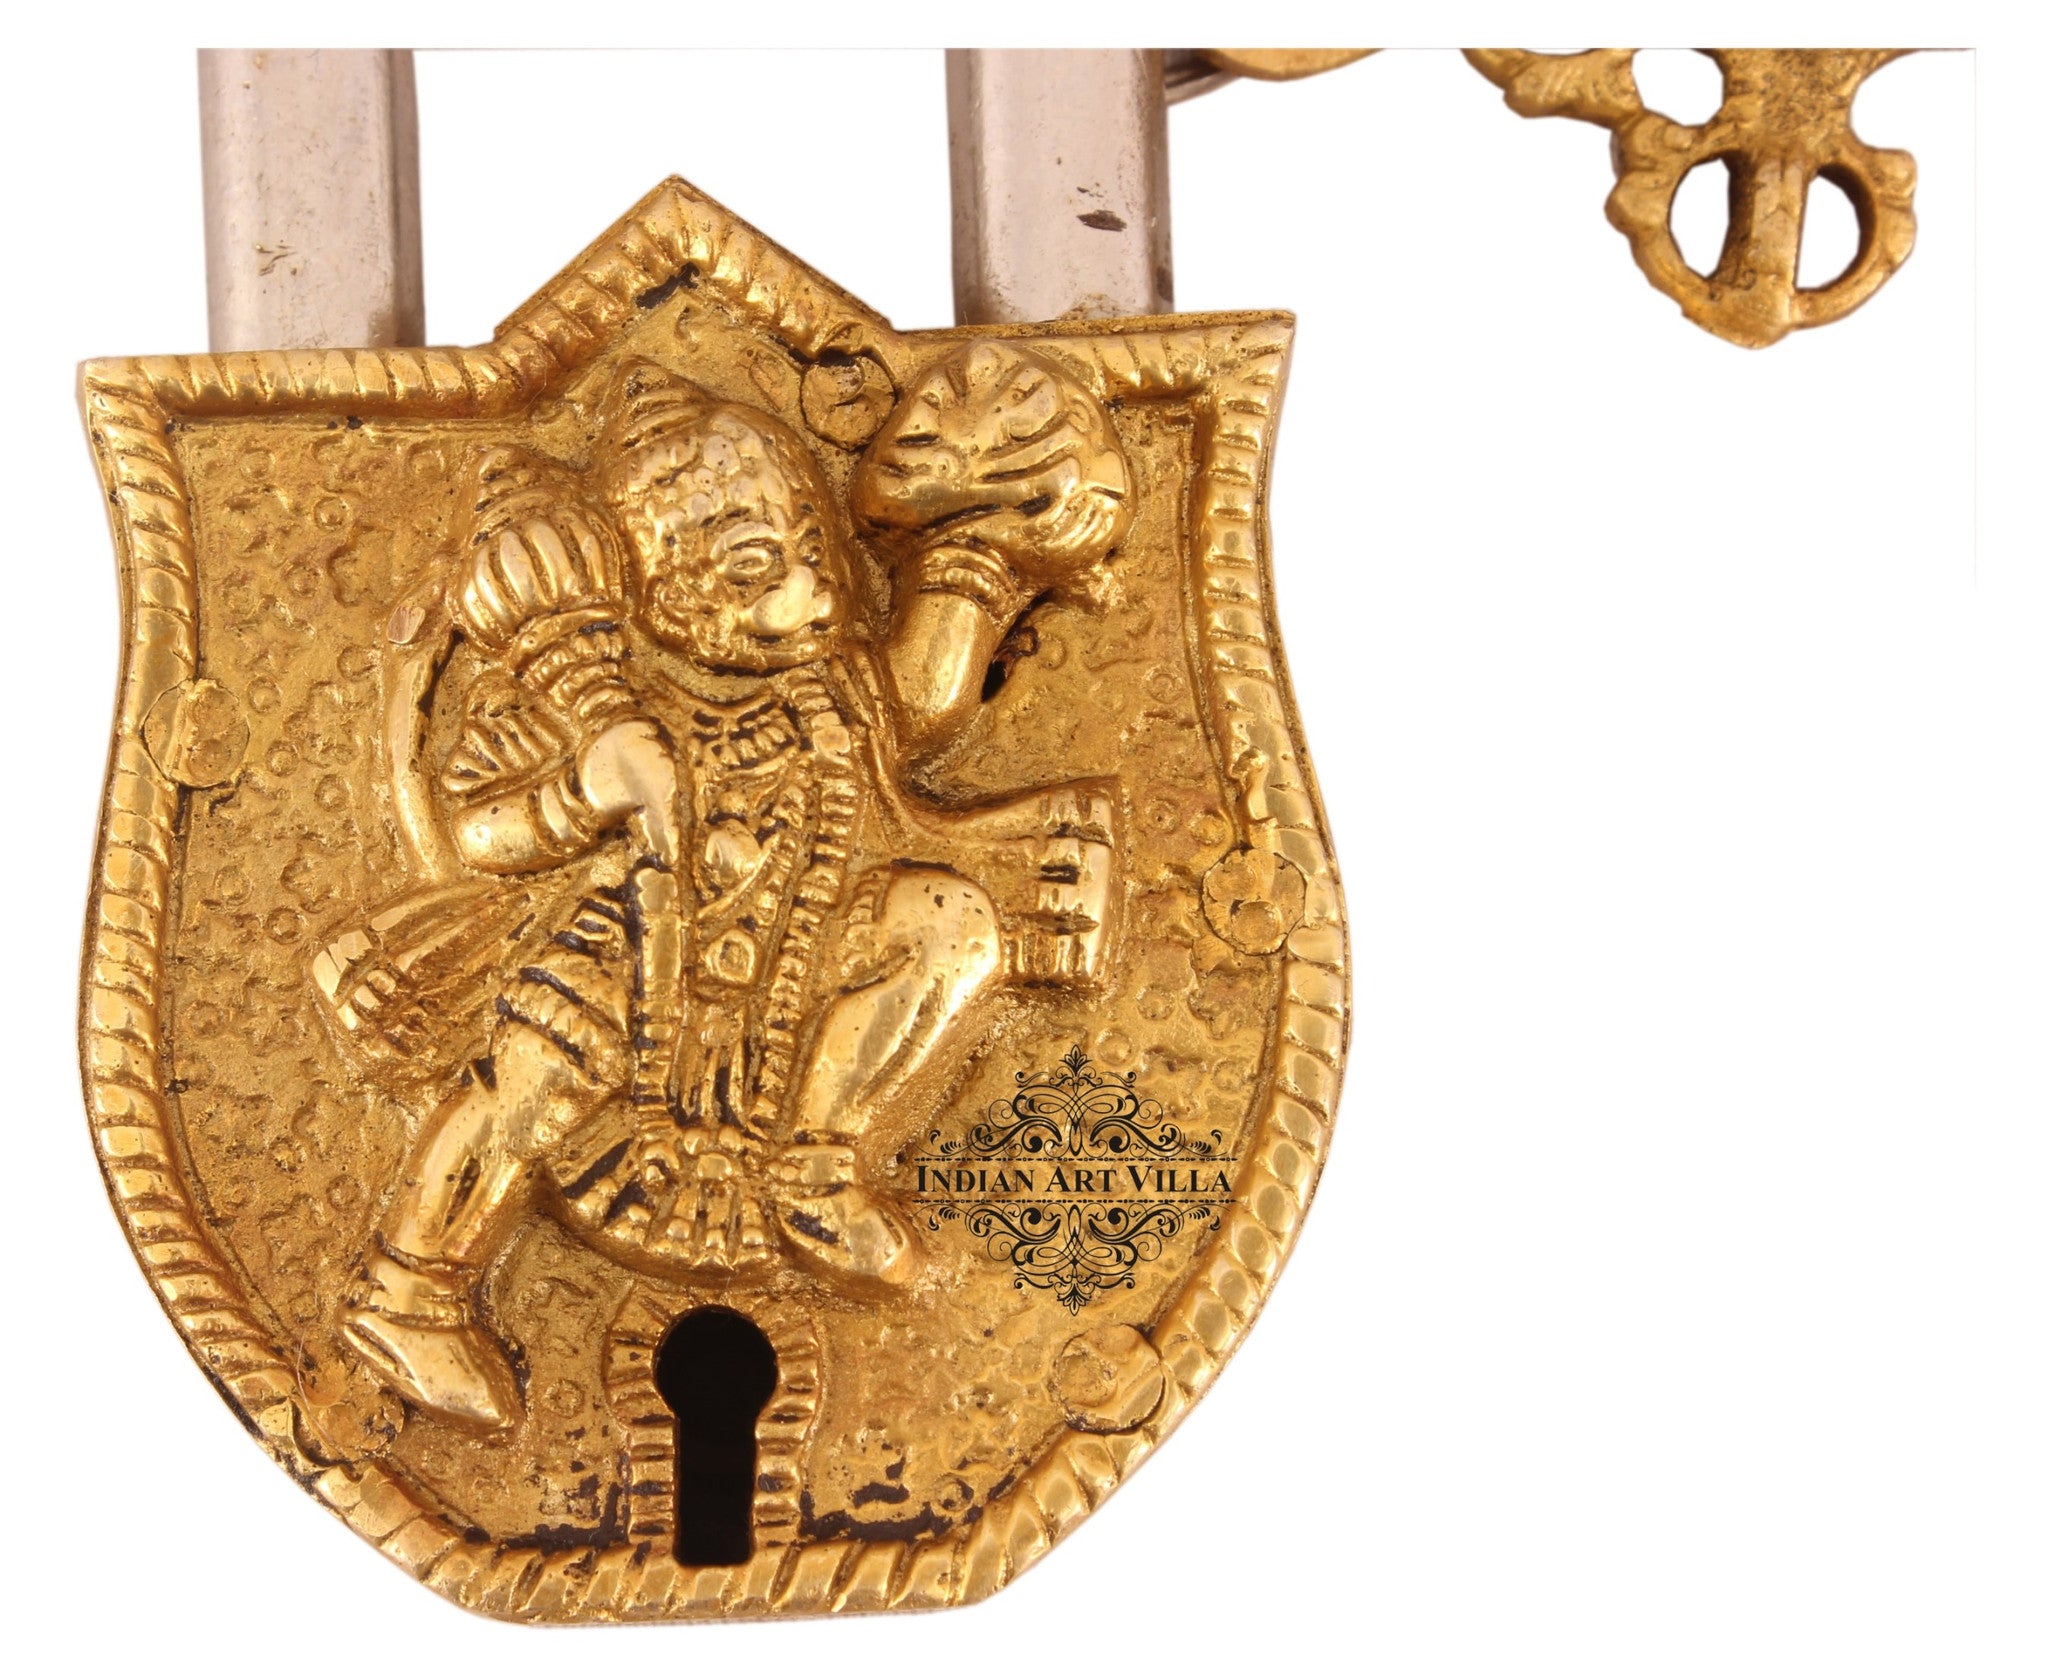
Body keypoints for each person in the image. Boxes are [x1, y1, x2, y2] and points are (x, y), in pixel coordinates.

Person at [325, 343, 1130, 1429]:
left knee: (949, 925)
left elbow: (928, 694)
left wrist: (980, 540)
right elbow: (477, 829)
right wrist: (582, 787)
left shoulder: (827, 692)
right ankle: (411, 1283)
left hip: (801, 958)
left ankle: (816, 1163)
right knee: (531, 1076)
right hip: (621, 956)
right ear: (655, 587)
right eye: (755, 567)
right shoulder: (581, 697)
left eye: (813, 552)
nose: (810, 593)